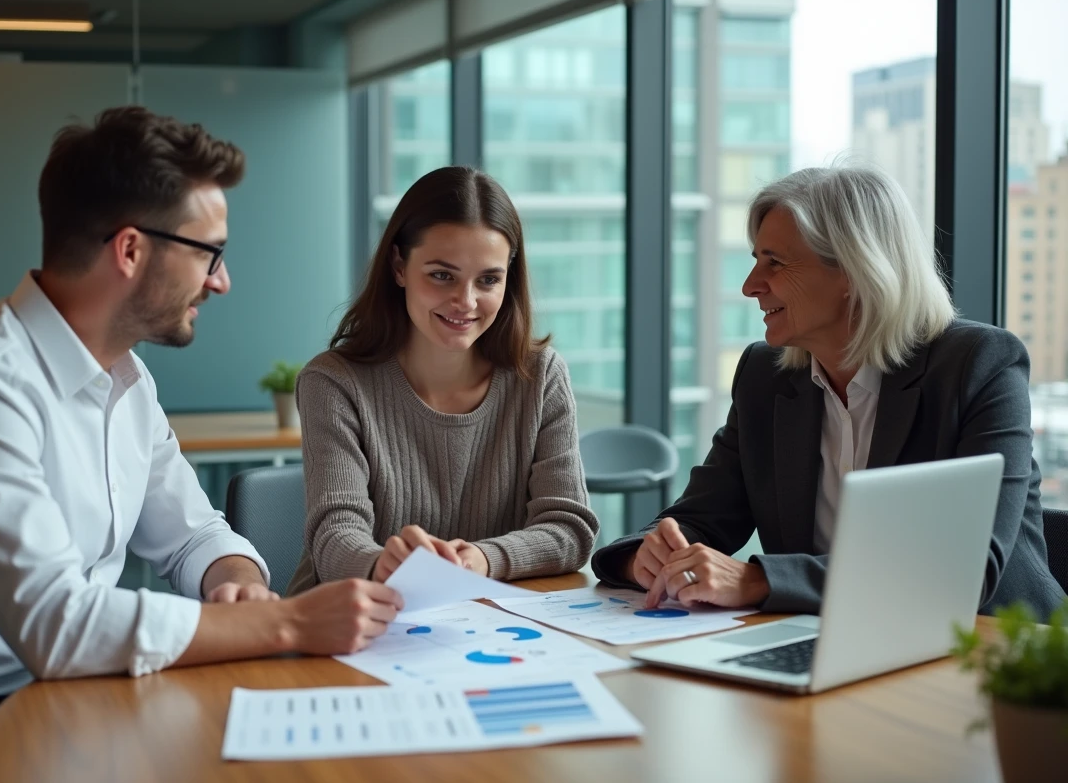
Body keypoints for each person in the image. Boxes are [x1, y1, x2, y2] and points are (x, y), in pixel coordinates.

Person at [0, 107, 402, 783]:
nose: (221, 281)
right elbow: (57, 624)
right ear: (129, 250)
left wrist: (233, 581)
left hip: (79, 687)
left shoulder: (126, 377)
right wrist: (289, 626)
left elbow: (190, 534)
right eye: (209, 253)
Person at [591, 164, 1066, 621]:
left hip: (994, 652)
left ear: (852, 273)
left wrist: (759, 581)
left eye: (773, 263)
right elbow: (704, 517)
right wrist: (647, 557)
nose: (750, 286)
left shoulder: (980, 366)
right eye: (754, 261)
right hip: (827, 637)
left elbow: (962, 570)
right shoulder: (765, 375)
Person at [286, 166, 599, 596]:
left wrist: (479, 560)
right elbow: (334, 537)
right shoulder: (333, 382)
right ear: (399, 265)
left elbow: (569, 527)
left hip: (486, 626)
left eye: (488, 279)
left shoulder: (541, 376)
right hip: (351, 628)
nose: (466, 302)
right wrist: (383, 565)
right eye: (442, 275)